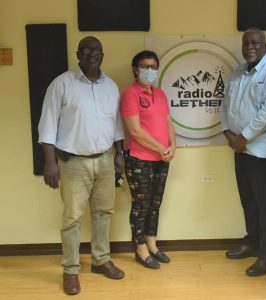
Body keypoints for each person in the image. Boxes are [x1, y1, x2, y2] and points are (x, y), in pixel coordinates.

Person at [38, 36, 126, 295]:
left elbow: (116, 125)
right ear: (78, 54)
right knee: (72, 219)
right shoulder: (61, 84)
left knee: (104, 213)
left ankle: (101, 260)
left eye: (96, 49)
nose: (92, 53)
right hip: (73, 162)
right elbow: (47, 126)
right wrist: (49, 163)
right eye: (86, 49)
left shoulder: (110, 86)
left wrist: (119, 153)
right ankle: (71, 270)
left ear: (102, 53)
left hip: (106, 160)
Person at [219, 28, 266, 276]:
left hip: (263, 152)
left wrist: (243, 137)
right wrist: (229, 134)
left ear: (265, 46)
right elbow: (225, 105)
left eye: (255, 43)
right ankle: (251, 243)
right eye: (246, 43)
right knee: (248, 201)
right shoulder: (238, 72)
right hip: (240, 150)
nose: (250, 46)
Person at [120, 50, 176, 270]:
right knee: (141, 205)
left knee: (155, 203)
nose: (150, 71)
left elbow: (168, 122)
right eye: (145, 67)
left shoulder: (160, 94)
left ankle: (152, 243)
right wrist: (162, 148)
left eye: (154, 67)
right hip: (139, 159)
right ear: (136, 69)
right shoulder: (131, 94)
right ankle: (140, 247)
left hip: (162, 158)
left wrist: (173, 147)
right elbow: (135, 131)